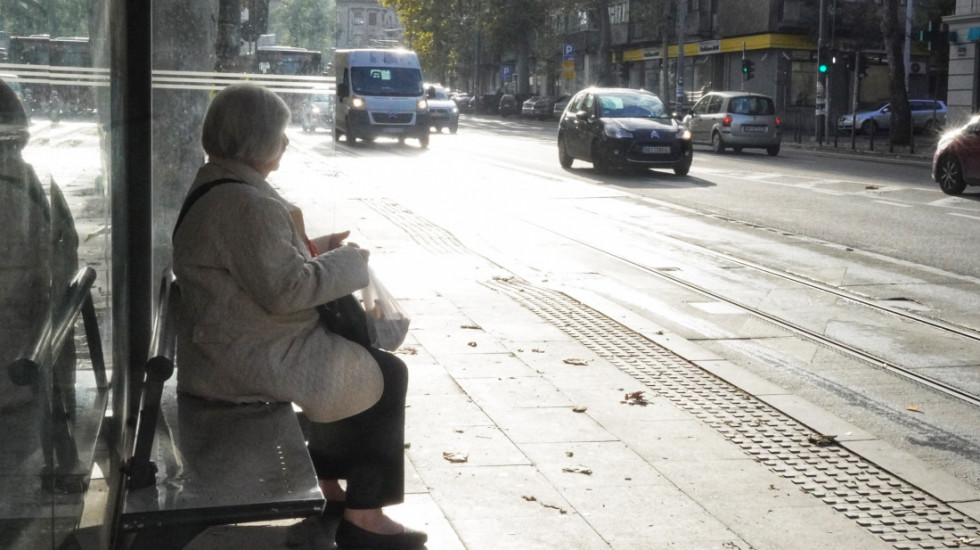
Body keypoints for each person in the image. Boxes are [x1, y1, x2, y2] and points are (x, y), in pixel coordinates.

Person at [172, 83, 426, 550]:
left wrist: (316, 250)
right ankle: (365, 516)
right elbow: (289, 291)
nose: (286, 143)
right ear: (256, 139)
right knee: (386, 374)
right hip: (248, 355)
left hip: (233, 342)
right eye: (280, 133)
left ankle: (330, 488)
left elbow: (261, 267)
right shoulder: (244, 204)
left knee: (354, 365)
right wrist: (350, 262)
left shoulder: (219, 184)